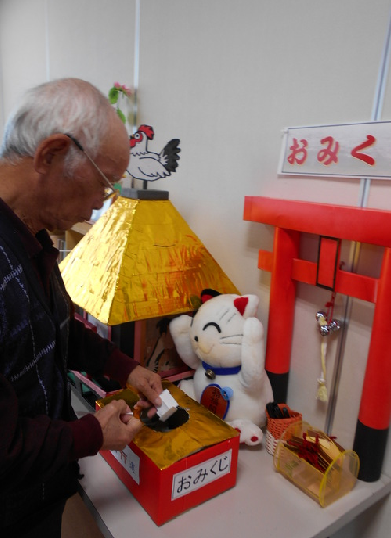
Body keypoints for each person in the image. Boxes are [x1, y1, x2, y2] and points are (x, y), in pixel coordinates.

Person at [0, 78, 163, 537]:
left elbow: (52, 329)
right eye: (103, 183)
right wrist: (91, 433)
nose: (98, 206)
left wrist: (124, 367)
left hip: (40, 495)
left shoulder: (30, 236)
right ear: (51, 155)